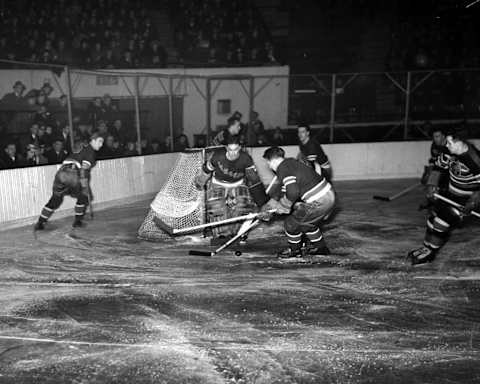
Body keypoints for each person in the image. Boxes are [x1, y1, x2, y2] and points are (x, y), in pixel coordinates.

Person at [408, 132, 480, 265]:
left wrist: (473, 201)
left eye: (451, 142)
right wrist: (432, 184)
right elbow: (438, 167)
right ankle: (426, 247)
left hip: (466, 198)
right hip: (451, 194)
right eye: (447, 142)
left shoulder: (474, 159)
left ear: (463, 143)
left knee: (441, 222)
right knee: (432, 219)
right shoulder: (448, 151)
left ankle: (431, 253)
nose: (448, 145)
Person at [260, 146, 336, 258]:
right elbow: (285, 190)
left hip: (319, 199)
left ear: (274, 160)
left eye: (269, 163)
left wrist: (283, 206)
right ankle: (321, 248)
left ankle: (294, 251)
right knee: (307, 223)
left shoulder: (283, 168)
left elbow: (293, 192)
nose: (269, 166)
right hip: (328, 195)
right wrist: (271, 206)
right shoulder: (290, 163)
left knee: (291, 224)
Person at [195, 135, 268, 244]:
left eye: (235, 150)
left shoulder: (246, 159)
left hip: (238, 183)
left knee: (243, 206)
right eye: (230, 150)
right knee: (217, 208)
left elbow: (254, 181)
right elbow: (206, 170)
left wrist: (263, 203)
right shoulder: (217, 156)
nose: (233, 153)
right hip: (218, 183)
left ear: (239, 148)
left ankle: (238, 233)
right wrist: (200, 182)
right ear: (226, 148)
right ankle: (220, 235)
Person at [33, 132, 104, 231]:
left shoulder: (82, 146)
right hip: (73, 174)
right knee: (84, 196)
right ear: (93, 140)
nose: (101, 145)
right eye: (99, 141)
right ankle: (77, 222)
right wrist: (84, 186)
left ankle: (40, 222)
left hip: (61, 173)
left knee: (55, 199)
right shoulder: (91, 151)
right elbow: (83, 169)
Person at [419, 126, 450, 210]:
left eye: (437, 136)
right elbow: (434, 161)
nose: (435, 139)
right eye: (434, 137)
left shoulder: (451, 146)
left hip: (452, 169)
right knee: (431, 183)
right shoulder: (434, 146)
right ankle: (431, 200)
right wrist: (428, 172)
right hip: (441, 167)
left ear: (443, 136)